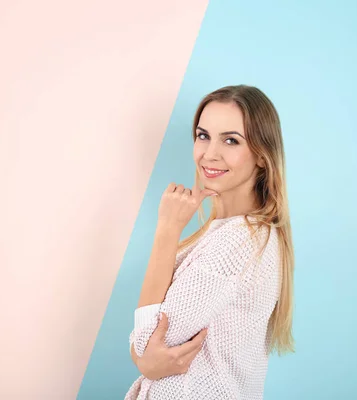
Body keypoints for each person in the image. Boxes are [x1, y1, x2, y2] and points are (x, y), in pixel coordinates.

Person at [125, 85, 295, 399]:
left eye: (231, 140)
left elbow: (144, 343)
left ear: (261, 155)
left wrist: (167, 229)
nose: (209, 153)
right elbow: (146, 353)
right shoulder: (228, 233)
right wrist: (146, 360)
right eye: (203, 135)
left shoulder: (240, 242)